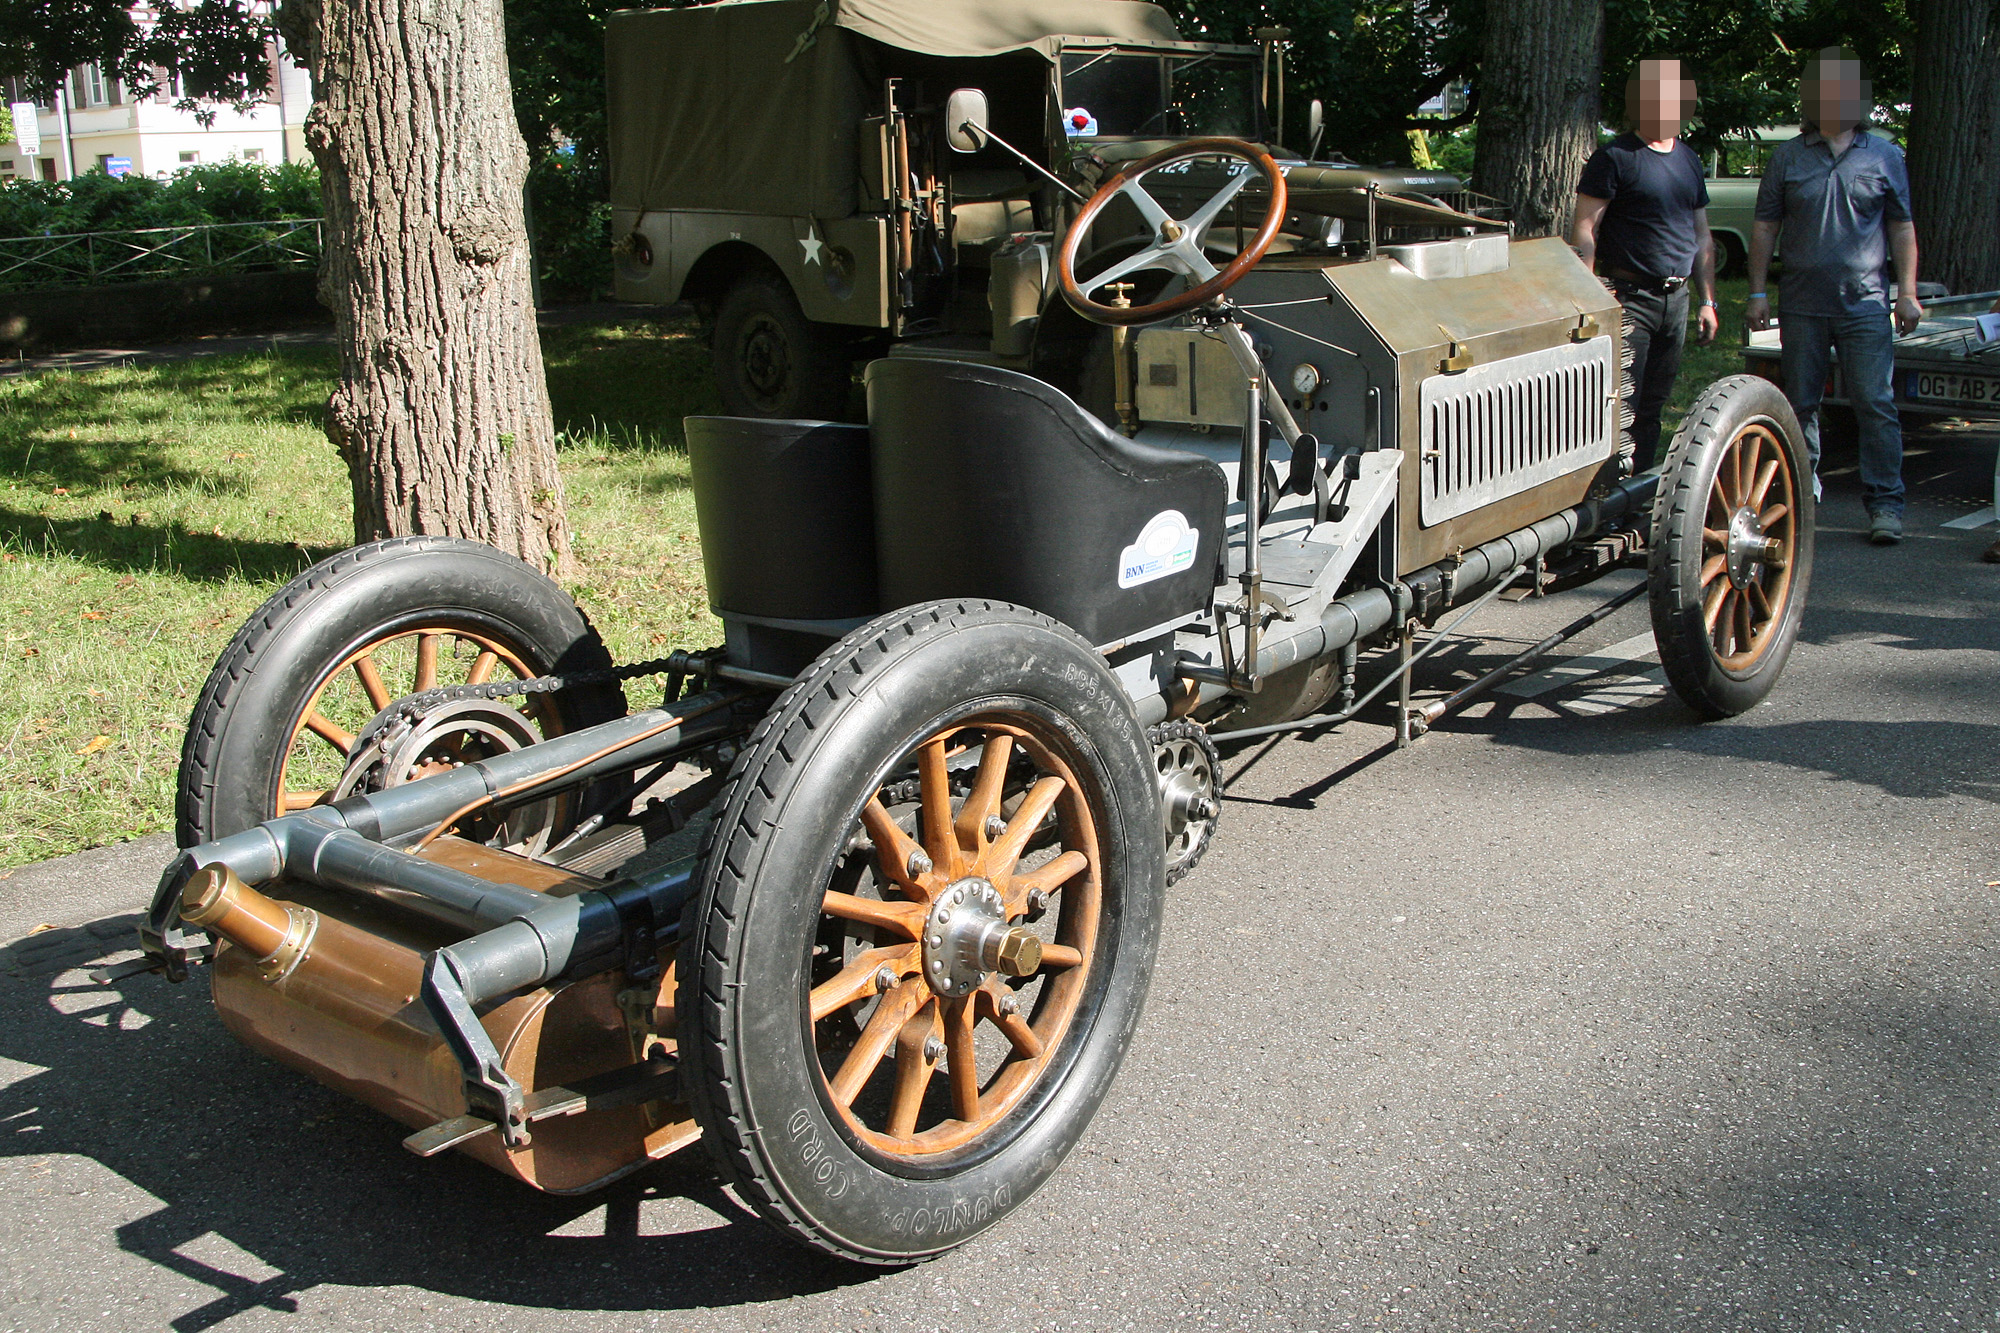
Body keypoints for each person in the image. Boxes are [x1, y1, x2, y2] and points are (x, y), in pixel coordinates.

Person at [1747, 49, 1922, 545]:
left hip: (1866, 304)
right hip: (1801, 304)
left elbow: (1902, 226)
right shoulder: (1788, 156)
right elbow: (1764, 227)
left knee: (1875, 403)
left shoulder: (1884, 155)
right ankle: (1800, 495)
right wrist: (1756, 291)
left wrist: (1906, 291)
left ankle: (1885, 505)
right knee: (1799, 405)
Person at [1571, 58, 1719, 473]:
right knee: (1622, 405)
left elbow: (1701, 234)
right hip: (1629, 298)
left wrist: (1709, 301)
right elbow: (1585, 229)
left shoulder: (1688, 159)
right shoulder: (1614, 157)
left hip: (1678, 299)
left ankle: (1638, 497)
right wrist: (1590, 295)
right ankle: (1609, 494)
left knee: (1654, 406)